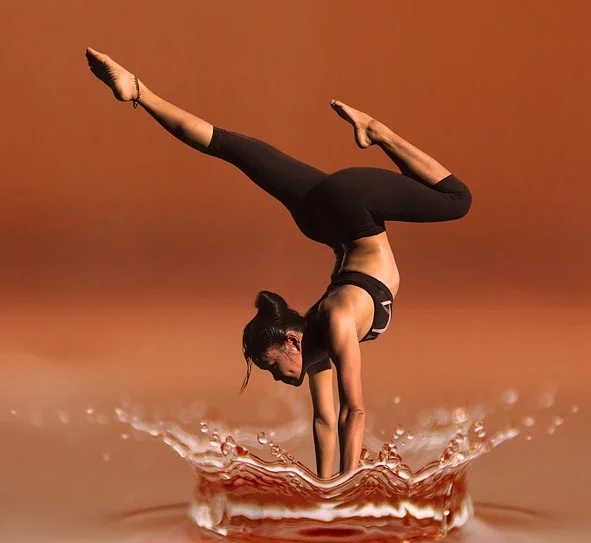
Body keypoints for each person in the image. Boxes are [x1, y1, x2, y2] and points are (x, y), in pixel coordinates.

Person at [86, 48, 472, 479]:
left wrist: (346, 492)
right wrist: (325, 490)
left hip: (353, 208)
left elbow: (355, 412)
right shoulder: (317, 348)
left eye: (270, 365)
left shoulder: (339, 320)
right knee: (232, 147)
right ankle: (137, 90)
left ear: (292, 340)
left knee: (458, 201)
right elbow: (325, 421)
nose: (275, 377)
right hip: (322, 217)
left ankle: (376, 130)